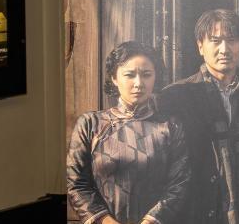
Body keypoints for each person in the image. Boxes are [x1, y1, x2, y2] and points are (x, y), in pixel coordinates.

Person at [157, 9, 239, 224]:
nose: (224, 49)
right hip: (197, 214)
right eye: (215, 41)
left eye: (232, 40)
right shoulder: (175, 98)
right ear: (200, 46)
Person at [68, 41, 190, 224]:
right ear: (114, 78)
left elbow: (179, 184)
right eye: (129, 75)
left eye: (146, 75)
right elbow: (76, 183)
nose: (139, 83)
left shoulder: (170, 126)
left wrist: (150, 221)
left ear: (155, 77)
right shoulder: (90, 124)